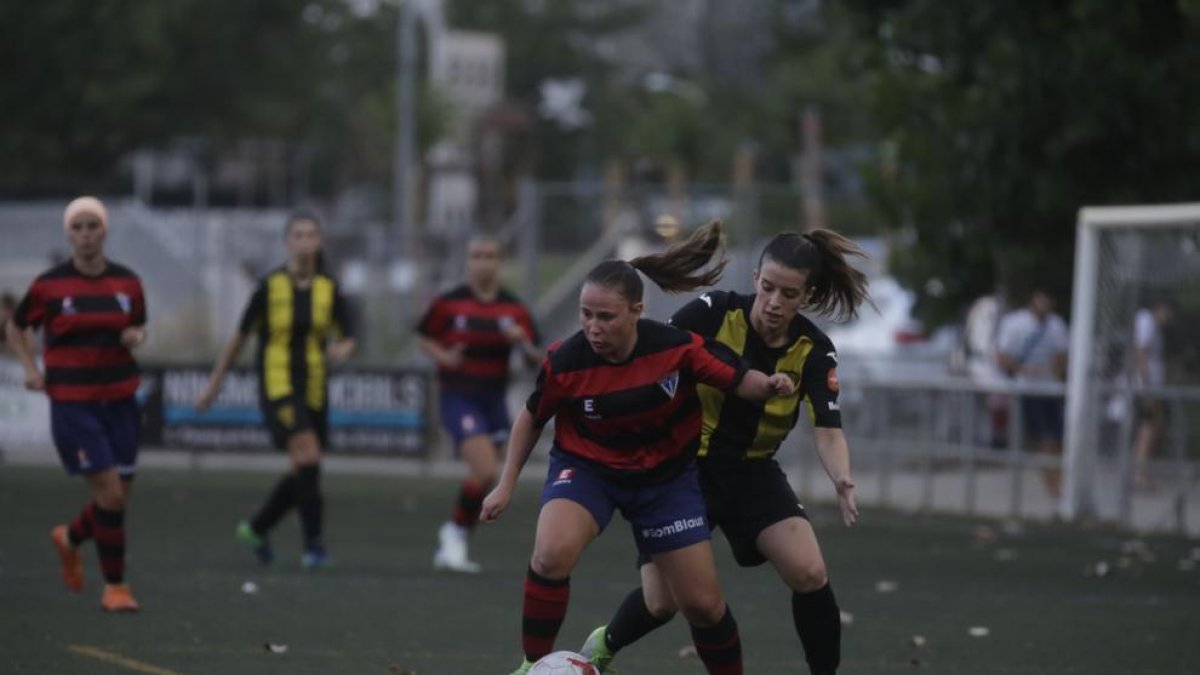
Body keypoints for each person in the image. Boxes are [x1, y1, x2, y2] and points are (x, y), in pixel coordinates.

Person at [481, 221, 798, 675]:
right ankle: (533, 666)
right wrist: (505, 484)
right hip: (589, 470)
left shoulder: (676, 348)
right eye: (585, 314)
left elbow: (737, 379)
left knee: (702, 605)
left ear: (637, 311)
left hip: (665, 482)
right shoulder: (565, 360)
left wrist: (769, 385)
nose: (592, 326)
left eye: (605, 316)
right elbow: (532, 417)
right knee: (550, 554)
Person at [579, 230, 869, 675]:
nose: (773, 301)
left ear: (806, 295)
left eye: (788, 293)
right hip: (683, 471)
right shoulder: (714, 313)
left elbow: (828, 431)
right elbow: (656, 352)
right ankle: (602, 647)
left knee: (810, 572)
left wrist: (842, 478)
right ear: (755, 277)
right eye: (767, 287)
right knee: (663, 602)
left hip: (752, 474)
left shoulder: (814, 350)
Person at [4, 196, 148, 612]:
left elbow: (138, 325)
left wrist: (136, 337)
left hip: (120, 398)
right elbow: (16, 327)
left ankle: (70, 538)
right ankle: (115, 588)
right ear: (68, 234)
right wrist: (31, 368)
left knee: (117, 495)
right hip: (72, 401)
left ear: (105, 231)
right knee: (111, 495)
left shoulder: (128, 283)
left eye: (93, 226)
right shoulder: (50, 285)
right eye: (78, 227)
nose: (86, 234)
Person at [196, 211, 356, 568]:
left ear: (320, 242)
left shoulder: (329, 288)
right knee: (309, 456)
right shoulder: (269, 287)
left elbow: (348, 337)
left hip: (314, 385)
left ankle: (257, 527)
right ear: (287, 243)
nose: (304, 242)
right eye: (297, 235)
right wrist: (213, 386)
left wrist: (342, 349)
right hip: (277, 384)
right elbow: (238, 340)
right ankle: (314, 546)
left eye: (310, 235)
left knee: (305, 467)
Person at [417, 236, 541, 573]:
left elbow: (535, 359)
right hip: (458, 396)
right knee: (485, 469)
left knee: (485, 476)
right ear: (468, 262)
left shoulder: (514, 309)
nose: (483, 262)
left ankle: (455, 532)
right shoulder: (449, 304)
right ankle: (455, 534)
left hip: (494, 400)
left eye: (490, 256)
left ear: (499, 263)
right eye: (476, 256)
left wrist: (522, 344)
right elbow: (424, 336)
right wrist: (444, 356)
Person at [995, 287, 1069, 497]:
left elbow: (1062, 357)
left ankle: (1059, 483)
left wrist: (1058, 367)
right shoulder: (1015, 323)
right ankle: (1054, 487)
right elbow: (1002, 357)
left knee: (1058, 440)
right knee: (1046, 439)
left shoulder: (1056, 325)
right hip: (1028, 389)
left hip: (1053, 389)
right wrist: (1022, 369)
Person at [1130, 298, 1174, 489]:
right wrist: (1145, 387)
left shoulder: (1155, 328)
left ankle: (1137, 469)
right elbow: (1141, 352)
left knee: (1153, 426)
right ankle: (1139, 473)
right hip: (1146, 387)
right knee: (1149, 427)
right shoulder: (1146, 322)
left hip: (1153, 386)